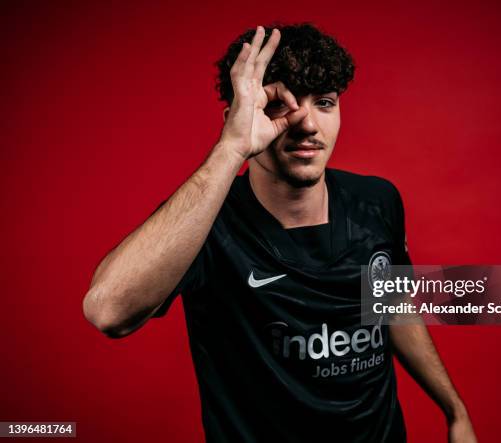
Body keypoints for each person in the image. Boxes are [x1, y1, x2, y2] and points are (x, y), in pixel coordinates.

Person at [83, 22, 477, 443]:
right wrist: (230, 149)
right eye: (279, 105)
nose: (307, 124)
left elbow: (388, 304)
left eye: (324, 103)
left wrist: (455, 410)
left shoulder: (377, 201)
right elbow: (109, 313)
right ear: (237, 118)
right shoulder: (203, 223)